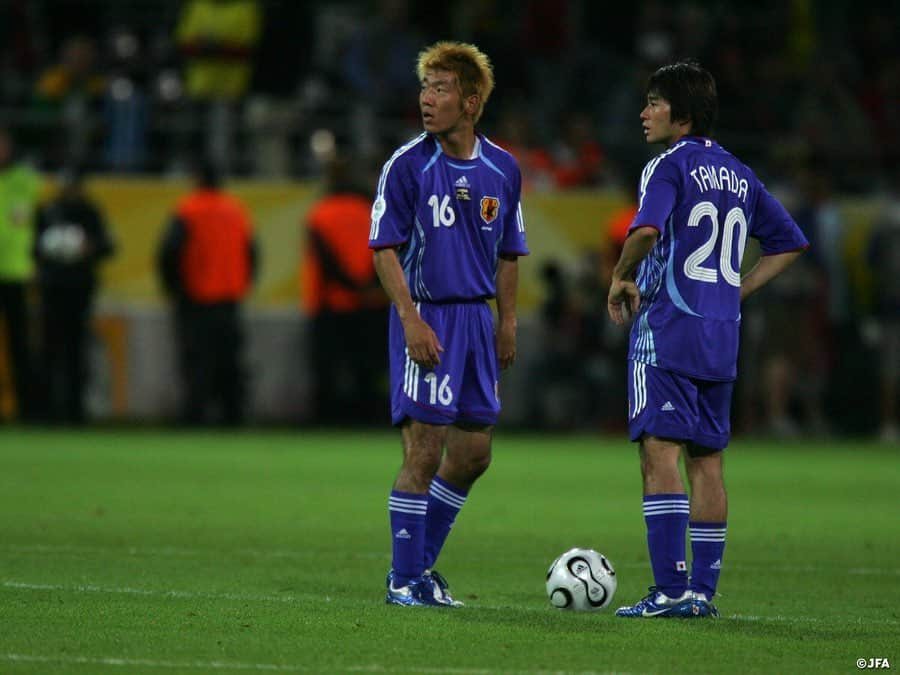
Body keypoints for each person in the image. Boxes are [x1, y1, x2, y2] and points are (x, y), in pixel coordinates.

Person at [606, 60, 809, 619]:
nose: (644, 113)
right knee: (709, 462)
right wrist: (736, 291)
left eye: (654, 103)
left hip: (668, 327)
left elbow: (646, 231)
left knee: (660, 455)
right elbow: (789, 244)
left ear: (684, 115)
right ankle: (701, 593)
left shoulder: (667, 165)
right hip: (721, 334)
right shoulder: (740, 173)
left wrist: (621, 276)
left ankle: (669, 592)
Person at [368, 41, 528, 606]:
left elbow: (509, 251)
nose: (427, 99)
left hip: (477, 322)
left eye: (440, 89)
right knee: (424, 448)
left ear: (472, 100)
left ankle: (420, 568)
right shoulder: (408, 165)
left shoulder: (502, 168)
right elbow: (383, 248)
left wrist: (506, 322)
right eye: (425, 88)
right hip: (428, 317)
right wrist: (410, 319)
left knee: (474, 454)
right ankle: (403, 579)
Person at [157, 161, 258, 426]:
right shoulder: (236, 210)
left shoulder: (188, 209)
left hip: (196, 297)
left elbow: (169, 252)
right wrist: (244, 283)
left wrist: (173, 288)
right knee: (230, 362)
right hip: (229, 296)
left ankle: (195, 417)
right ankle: (233, 417)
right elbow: (252, 252)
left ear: (197, 178)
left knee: (196, 362)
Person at [302, 156, 389, 425]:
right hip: (372, 303)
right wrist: (368, 287)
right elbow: (385, 251)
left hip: (330, 304)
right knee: (369, 368)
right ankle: (371, 418)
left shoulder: (319, 213)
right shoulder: (372, 211)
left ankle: (327, 420)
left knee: (327, 370)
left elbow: (326, 260)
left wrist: (350, 286)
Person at [33, 168, 115, 424]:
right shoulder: (48, 211)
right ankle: (44, 409)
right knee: (49, 349)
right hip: (52, 288)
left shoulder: (90, 213)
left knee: (76, 351)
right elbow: (33, 246)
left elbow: (107, 246)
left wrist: (89, 246)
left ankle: (75, 410)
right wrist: (48, 250)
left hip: (79, 290)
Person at [0, 126, 41, 422]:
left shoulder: (26, 182)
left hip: (16, 273)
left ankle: (29, 407)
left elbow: (38, 224)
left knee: (20, 346)